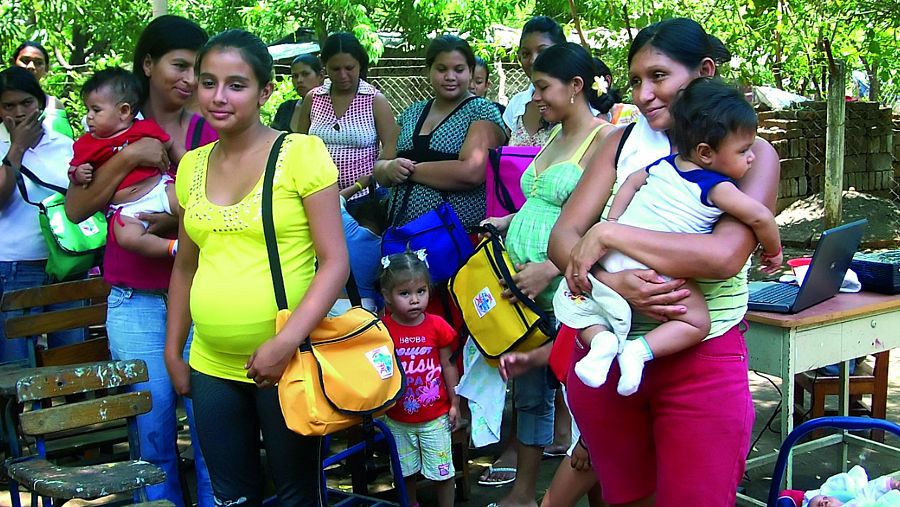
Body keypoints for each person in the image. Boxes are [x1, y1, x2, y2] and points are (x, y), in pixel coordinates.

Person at [548, 18, 781, 506]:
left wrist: (609, 234)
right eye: (635, 81)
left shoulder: (748, 151)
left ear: (704, 72)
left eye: (659, 76)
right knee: (626, 497)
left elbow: (722, 257)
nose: (644, 94)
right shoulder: (619, 143)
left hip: (700, 355)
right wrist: (615, 281)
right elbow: (563, 238)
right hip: (609, 353)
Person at [165, 28, 348, 507]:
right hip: (209, 363)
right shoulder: (192, 167)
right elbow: (185, 266)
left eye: (236, 84)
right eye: (208, 83)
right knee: (230, 495)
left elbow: (334, 262)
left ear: (266, 91)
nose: (218, 97)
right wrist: (172, 350)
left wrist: (285, 342)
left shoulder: (301, 155)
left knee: (294, 495)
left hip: (286, 361)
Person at [64, 15, 216, 507]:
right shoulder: (109, 125)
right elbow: (77, 208)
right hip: (135, 302)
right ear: (148, 64)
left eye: (198, 69)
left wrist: (164, 227)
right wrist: (130, 158)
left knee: (211, 426)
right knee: (151, 430)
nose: (189, 80)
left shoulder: (205, 129)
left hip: (201, 298)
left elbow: (214, 210)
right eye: (179, 65)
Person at [554, 77, 783, 397]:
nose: (752, 157)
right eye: (744, 151)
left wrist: (614, 225)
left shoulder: (664, 165)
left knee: (588, 308)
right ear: (705, 152)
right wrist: (773, 250)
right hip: (656, 268)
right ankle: (638, 352)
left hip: (613, 259)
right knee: (696, 322)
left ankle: (601, 342)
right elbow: (760, 216)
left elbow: (632, 182)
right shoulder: (717, 188)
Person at [480, 42, 617, 507]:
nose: (535, 96)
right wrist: (506, 223)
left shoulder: (604, 140)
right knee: (531, 391)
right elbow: (539, 204)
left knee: (583, 392)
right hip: (523, 286)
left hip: (566, 288)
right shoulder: (553, 138)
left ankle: (600, 491)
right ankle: (523, 490)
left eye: (543, 87)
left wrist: (550, 268)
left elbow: (603, 220)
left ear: (576, 86)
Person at [374, 34, 505, 232]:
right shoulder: (411, 113)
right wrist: (389, 168)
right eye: (441, 69)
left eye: (459, 70)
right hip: (401, 235)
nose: (450, 77)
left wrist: (410, 171)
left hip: (456, 239)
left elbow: (471, 172)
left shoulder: (482, 111)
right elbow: (381, 166)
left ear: (470, 72)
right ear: (429, 71)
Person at [0, 66, 84, 363]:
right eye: (8, 105)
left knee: (71, 359)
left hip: (67, 264)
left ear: (40, 103)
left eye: (26, 102)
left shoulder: (64, 145)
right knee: (17, 367)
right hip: (15, 268)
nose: (19, 112)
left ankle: (75, 411)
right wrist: (17, 147)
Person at [68, 67, 178, 259]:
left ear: (124, 111)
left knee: (187, 204)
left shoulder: (143, 128)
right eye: (88, 110)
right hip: (127, 209)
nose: (89, 116)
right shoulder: (87, 143)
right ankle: (173, 248)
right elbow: (74, 171)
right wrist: (78, 173)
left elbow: (169, 144)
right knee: (127, 237)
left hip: (159, 190)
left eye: (96, 110)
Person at [380, 251, 460, 507]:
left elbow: (449, 365)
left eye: (421, 291)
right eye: (405, 294)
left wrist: (456, 403)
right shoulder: (382, 330)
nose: (414, 300)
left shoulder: (437, 326)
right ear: (387, 296)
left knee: (443, 471)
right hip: (397, 417)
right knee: (404, 473)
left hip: (435, 416)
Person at [296, 32, 397, 201]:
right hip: (318, 196)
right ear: (325, 67)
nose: (343, 75)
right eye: (335, 69)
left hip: (365, 198)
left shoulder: (374, 99)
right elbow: (300, 146)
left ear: (360, 65)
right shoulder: (313, 98)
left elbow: (391, 148)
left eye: (349, 68)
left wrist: (378, 175)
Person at [503, 16, 566, 147]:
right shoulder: (516, 104)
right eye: (526, 54)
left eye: (542, 51)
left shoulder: (577, 102)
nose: (533, 60)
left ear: (562, 52)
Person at [9, 41, 73, 138]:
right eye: (25, 61)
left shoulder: (54, 105)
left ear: (47, 68)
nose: (31, 67)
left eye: (38, 63)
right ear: (13, 63)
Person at [270, 54, 323, 132]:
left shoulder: (330, 108)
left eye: (305, 74)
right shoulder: (286, 109)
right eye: (295, 76)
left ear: (321, 76)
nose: (299, 80)